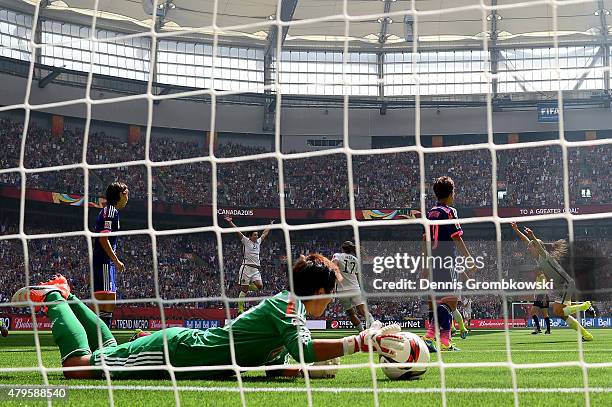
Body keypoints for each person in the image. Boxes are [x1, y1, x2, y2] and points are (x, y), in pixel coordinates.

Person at [11, 254, 405, 379]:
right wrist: (360, 342)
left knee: (110, 347)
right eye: (331, 294)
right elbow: (301, 350)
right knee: (78, 369)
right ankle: (51, 297)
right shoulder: (289, 306)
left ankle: (70, 295)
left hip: (184, 350)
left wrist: (317, 369)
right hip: (178, 353)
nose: (332, 301)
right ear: (320, 292)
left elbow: (278, 366)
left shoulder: (291, 309)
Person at [421, 176, 476, 352]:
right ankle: (429, 338)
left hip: (434, 260)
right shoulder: (449, 211)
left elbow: (426, 239)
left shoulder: (430, 213)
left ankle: (445, 342)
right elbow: (457, 237)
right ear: (451, 193)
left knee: (442, 302)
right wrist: (469, 259)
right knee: (451, 303)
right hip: (447, 260)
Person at [513, 224, 594, 341]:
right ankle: (586, 335)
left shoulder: (545, 255)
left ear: (536, 247)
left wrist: (532, 236)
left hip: (566, 284)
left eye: (531, 247)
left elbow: (537, 245)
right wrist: (517, 231)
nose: (528, 249)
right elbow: (526, 241)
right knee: (561, 313)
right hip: (562, 286)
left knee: (558, 311)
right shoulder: (538, 258)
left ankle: (584, 306)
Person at [92, 182, 129, 328]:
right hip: (105, 261)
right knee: (106, 297)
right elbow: (103, 238)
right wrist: (116, 260)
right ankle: (98, 334)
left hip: (104, 261)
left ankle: (101, 334)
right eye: (127, 193)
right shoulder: (111, 212)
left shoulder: (110, 211)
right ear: (120, 194)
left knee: (106, 299)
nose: (128, 198)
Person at [224, 216, 273, 314]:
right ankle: (240, 309)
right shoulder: (246, 241)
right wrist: (230, 222)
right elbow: (237, 231)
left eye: (256, 235)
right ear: (250, 236)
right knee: (245, 291)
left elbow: (265, 233)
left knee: (260, 286)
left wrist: (270, 225)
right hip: (246, 268)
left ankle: (244, 286)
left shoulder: (258, 242)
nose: (256, 236)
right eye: (255, 235)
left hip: (255, 269)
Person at [331, 241, 374, 331]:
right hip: (355, 288)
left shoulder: (338, 255)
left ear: (342, 248)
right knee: (363, 311)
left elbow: (333, 267)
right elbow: (358, 275)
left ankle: (362, 332)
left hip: (342, 291)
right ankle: (374, 329)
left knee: (351, 314)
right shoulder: (355, 260)